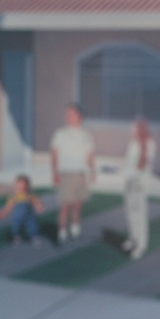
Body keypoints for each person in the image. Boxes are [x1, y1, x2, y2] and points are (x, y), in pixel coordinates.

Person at [50, 103, 95, 243]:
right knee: (66, 205)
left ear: (79, 116)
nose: (68, 117)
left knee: (78, 203)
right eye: (67, 114)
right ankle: (62, 231)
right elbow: (54, 154)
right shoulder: (60, 133)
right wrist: (55, 173)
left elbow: (90, 155)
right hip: (66, 173)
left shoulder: (86, 135)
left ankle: (75, 226)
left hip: (80, 172)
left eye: (71, 114)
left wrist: (92, 171)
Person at [121, 117, 155, 260]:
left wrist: (142, 146)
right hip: (129, 182)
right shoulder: (132, 143)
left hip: (140, 184)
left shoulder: (149, 144)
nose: (132, 133)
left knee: (139, 214)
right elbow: (129, 163)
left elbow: (142, 165)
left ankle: (141, 245)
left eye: (134, 130)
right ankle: (133, 239)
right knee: (130, 213)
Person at [0, 174, 45, 247]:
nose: (22, 188)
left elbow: (36, 202)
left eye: (24, 186)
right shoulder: (13, 196)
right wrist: (4, 213)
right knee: (16, 226)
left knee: (33, 226)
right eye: (19, 186)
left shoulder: (30, 195)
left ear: (27, 186)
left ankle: (34, 237)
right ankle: (17, 236)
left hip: (29, 215)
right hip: (17, 216)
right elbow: (9, 207)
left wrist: (40, 207)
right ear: (16, 186)